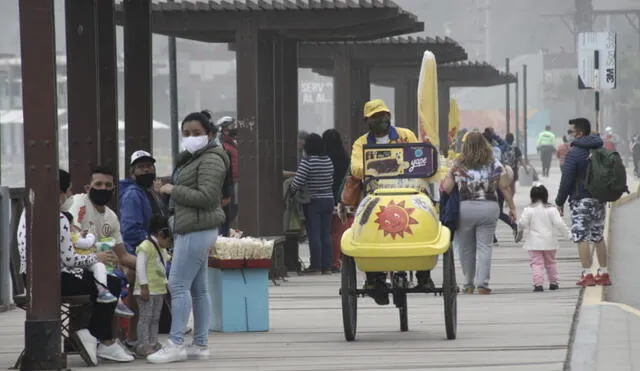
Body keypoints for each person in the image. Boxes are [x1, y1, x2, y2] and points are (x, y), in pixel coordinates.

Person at [18, 170, 134, 365]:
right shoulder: (61, 219)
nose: (71, 195)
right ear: (59, 193)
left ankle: (97, 338)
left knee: (101, 282)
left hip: (29, 279)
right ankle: (96, 337)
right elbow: (70, 259)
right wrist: (95, 257)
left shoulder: (28, 211)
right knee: (111, 283)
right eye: (68, 191)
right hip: (55, 282)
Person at [149, 111, 228, 364]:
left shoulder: (212, 159)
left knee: (177, 285)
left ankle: (176, 343)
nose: (191, 138)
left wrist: (174, 189)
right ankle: (200, 344)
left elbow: (207, 197)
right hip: (193, 227)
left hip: (196, 228)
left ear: (211, 134)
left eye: (197, 133)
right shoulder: (196, 158)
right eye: (186, 134)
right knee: (198, 288)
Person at [349, 98, 434, 303]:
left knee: (426, 216)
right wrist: (389, 164)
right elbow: (356, 168)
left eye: (384, 115)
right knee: (363, 225)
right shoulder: (361, 143)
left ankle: (423, 273)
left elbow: (418, 158)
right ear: (367, 120)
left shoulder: (406, 135)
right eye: (376, 117)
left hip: (408, 191)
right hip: (376, 194)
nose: (382, 120)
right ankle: (374, 279)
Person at [441, 132, 516, 294]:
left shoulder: (458, 164)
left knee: (465, 248)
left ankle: (468, 284)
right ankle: (483, 285)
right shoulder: (494, 163)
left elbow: (446, 188)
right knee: (485, 246)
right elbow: (504, 186)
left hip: (465, 208)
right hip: (489, 208)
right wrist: (512, 208)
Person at [67, 166, 137, 318]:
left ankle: (130, 334)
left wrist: (150, 263)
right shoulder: (80, 203)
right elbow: (70, 240)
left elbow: (123, 255)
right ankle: (105, 338)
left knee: (130, 274)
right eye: (98, 184)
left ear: (114, 189)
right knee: (112, 283)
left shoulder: (111, 217)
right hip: (75, 268)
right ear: (88, 187)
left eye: (108, 185)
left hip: (98, 268)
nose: (103, 188)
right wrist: (97, 256)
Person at [555, 118, 612, 287]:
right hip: (599, 199)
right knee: (598, 236)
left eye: (571, 131)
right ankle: (603, 273)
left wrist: (559, 201)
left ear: (579, 133)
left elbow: (566, 179)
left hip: (581, 200)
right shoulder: (600, 148)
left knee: (582, 237)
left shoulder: (574, 153)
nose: (569, 134)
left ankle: (587, 274)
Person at [119, 150, 165, 349]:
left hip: (148, 251)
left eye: (150, 166)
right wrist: (153, 244)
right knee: (141, 301)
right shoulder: (132, 195)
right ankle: (135, 339)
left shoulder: (146, 192)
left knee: (146, 303)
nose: (147, 169)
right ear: (132, 172)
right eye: (141, 167)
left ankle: (144, 339)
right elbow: (130, 229)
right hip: (139, 253)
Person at [290, 133, 334, 274]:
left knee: (314, 235)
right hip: (329, 200)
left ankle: (315, 266)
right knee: (326, 234)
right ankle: (327, 266)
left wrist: (291, 190)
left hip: (314, 201)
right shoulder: (328, 160)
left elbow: (298, 181)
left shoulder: (308, 161)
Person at [517, 185, 570, 292]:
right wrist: (568, 235)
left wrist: (519, 230)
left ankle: (538, 284)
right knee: (551, 262)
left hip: (534, 243)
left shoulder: (528, 209)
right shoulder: (552, 209)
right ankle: (553, 282)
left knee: (537, 263)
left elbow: (522, 223)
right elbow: (559, 224)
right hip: (550, 242)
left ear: (532, 196)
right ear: (546, 195)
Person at [134, 215, 171, 357]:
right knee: (145, 317)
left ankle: (154, 342)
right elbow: (140, 267)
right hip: (147, 289)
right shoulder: (145, 246)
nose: (170, 243)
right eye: (169, 239)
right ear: (161, 234)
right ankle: (144, 344)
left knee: (156, 318)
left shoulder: (162, 248)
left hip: (159, 289)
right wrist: (143, 285)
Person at [64, 212, 117, 303]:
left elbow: (78, 239)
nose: (74, 227)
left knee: (101, 267)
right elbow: (86, 243)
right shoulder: (69, 236)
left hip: (86, 261)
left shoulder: (73, 236)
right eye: (72, 225)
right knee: (105, 272)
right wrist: (91, 235)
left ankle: (103, 290)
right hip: (78, 265)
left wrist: (81, 234)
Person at [322, 129, 350, 273]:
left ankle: (331, 261)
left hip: (327, 195)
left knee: (329, 232)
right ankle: (337, 260)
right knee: (338, 232)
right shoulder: (345, 156)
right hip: (342, 197)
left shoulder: (326, 158)